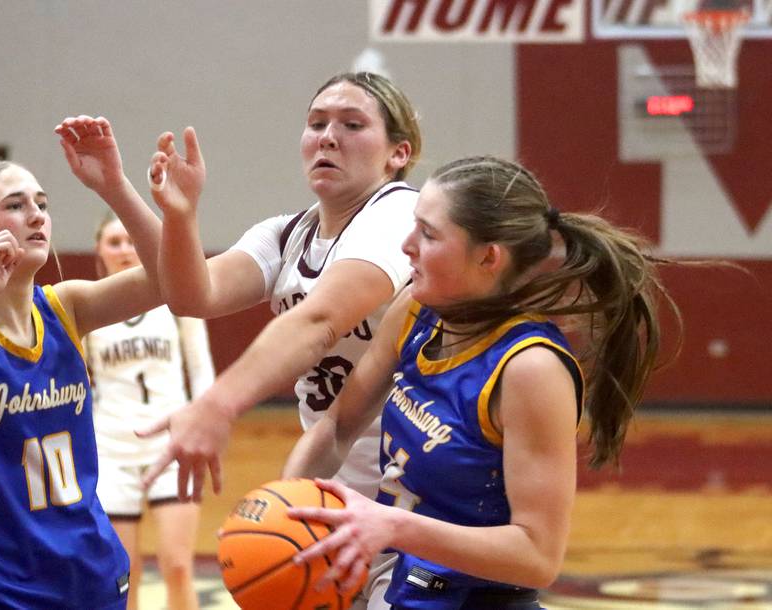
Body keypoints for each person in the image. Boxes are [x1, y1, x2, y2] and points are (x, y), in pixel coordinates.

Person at [281, 155, 678, 610]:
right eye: (414, 226)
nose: (406, 244)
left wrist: (391, 526)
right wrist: (284, 509)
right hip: (408, 589)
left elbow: (538, 556)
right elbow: (337, 427)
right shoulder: (415, 309)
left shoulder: (529, 368)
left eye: (429, 234)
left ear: (488, 257)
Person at [140, 71, 422, 610]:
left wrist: (218, 405)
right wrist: (181, 216)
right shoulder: (289, 233)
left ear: (397, 153)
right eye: (316, 124)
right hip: (328, 478)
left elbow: (319, 322)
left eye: (352, 124)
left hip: (411, 496)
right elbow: (193, 295)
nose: (327, 137)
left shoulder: (399, 214)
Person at [0, 117, 165, 609]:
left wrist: (115, 188)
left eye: (42, 204)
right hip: (4, 586)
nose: (36, 215)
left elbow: (172, 277)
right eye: (14, 206)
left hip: (91, 570)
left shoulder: (64, 306)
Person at [87, 210, 215, 610]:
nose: (124, 249)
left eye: (130, 239)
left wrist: (205, 428)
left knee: (177, 566)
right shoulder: (86, 308)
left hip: (170, 446)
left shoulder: (175, 300)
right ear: (99, 251)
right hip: (111, 450)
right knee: (125, 575)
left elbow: (200, 369)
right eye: (113, 242)